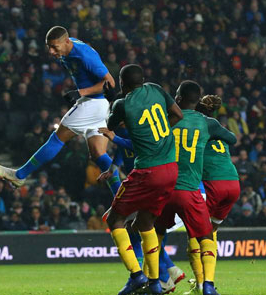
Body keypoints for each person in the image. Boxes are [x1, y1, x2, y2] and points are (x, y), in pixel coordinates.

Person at [0, 26, 117, 188]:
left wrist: (81, 93)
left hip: (92, 103)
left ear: (66, 41)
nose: (51, 51)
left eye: (54, 47)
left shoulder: (84, 55)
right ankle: (122, 195)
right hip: (100, 106)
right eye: (49, 47)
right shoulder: (67, 48)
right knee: (99, 154)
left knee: (58, 137)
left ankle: (19, 175)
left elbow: (110, 83)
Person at [104, 64, 183, 295]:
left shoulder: (122, 103)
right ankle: (155, 285)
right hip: (170, 169)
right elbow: (177, 114)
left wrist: (113, 100)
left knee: (114, 219)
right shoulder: (156, 89)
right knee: (145, 223)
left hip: (147, 171)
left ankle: (137, 276)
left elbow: (110, 125)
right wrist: (159, 133)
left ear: (122, 83)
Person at [155, 81, 237, 295]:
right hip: (196, 189)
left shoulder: (167, 120)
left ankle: (157, 282)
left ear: (178, 98)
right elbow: (232, 138)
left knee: (154, 233)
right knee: (206, 236)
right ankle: (207, 285)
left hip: (166, 187)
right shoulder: (206, 124)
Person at [98, 126, 185, 293]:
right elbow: (122, 151)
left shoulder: (140, 131)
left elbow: (135, 145)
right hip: (148, 180)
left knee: (140, 226)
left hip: (147, 180)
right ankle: (166, 273)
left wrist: (114, 138)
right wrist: (113, 168)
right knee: (139, 227)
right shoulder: (125, 131)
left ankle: (159, 276)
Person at [178, 94, 240, 295]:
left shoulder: (195, 127)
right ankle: (208, 281)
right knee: (211, 232)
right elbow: (232, 139)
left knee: (196, 236)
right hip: (233, 182)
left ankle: (202, 284)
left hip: (212, 184)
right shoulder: (216, 128)